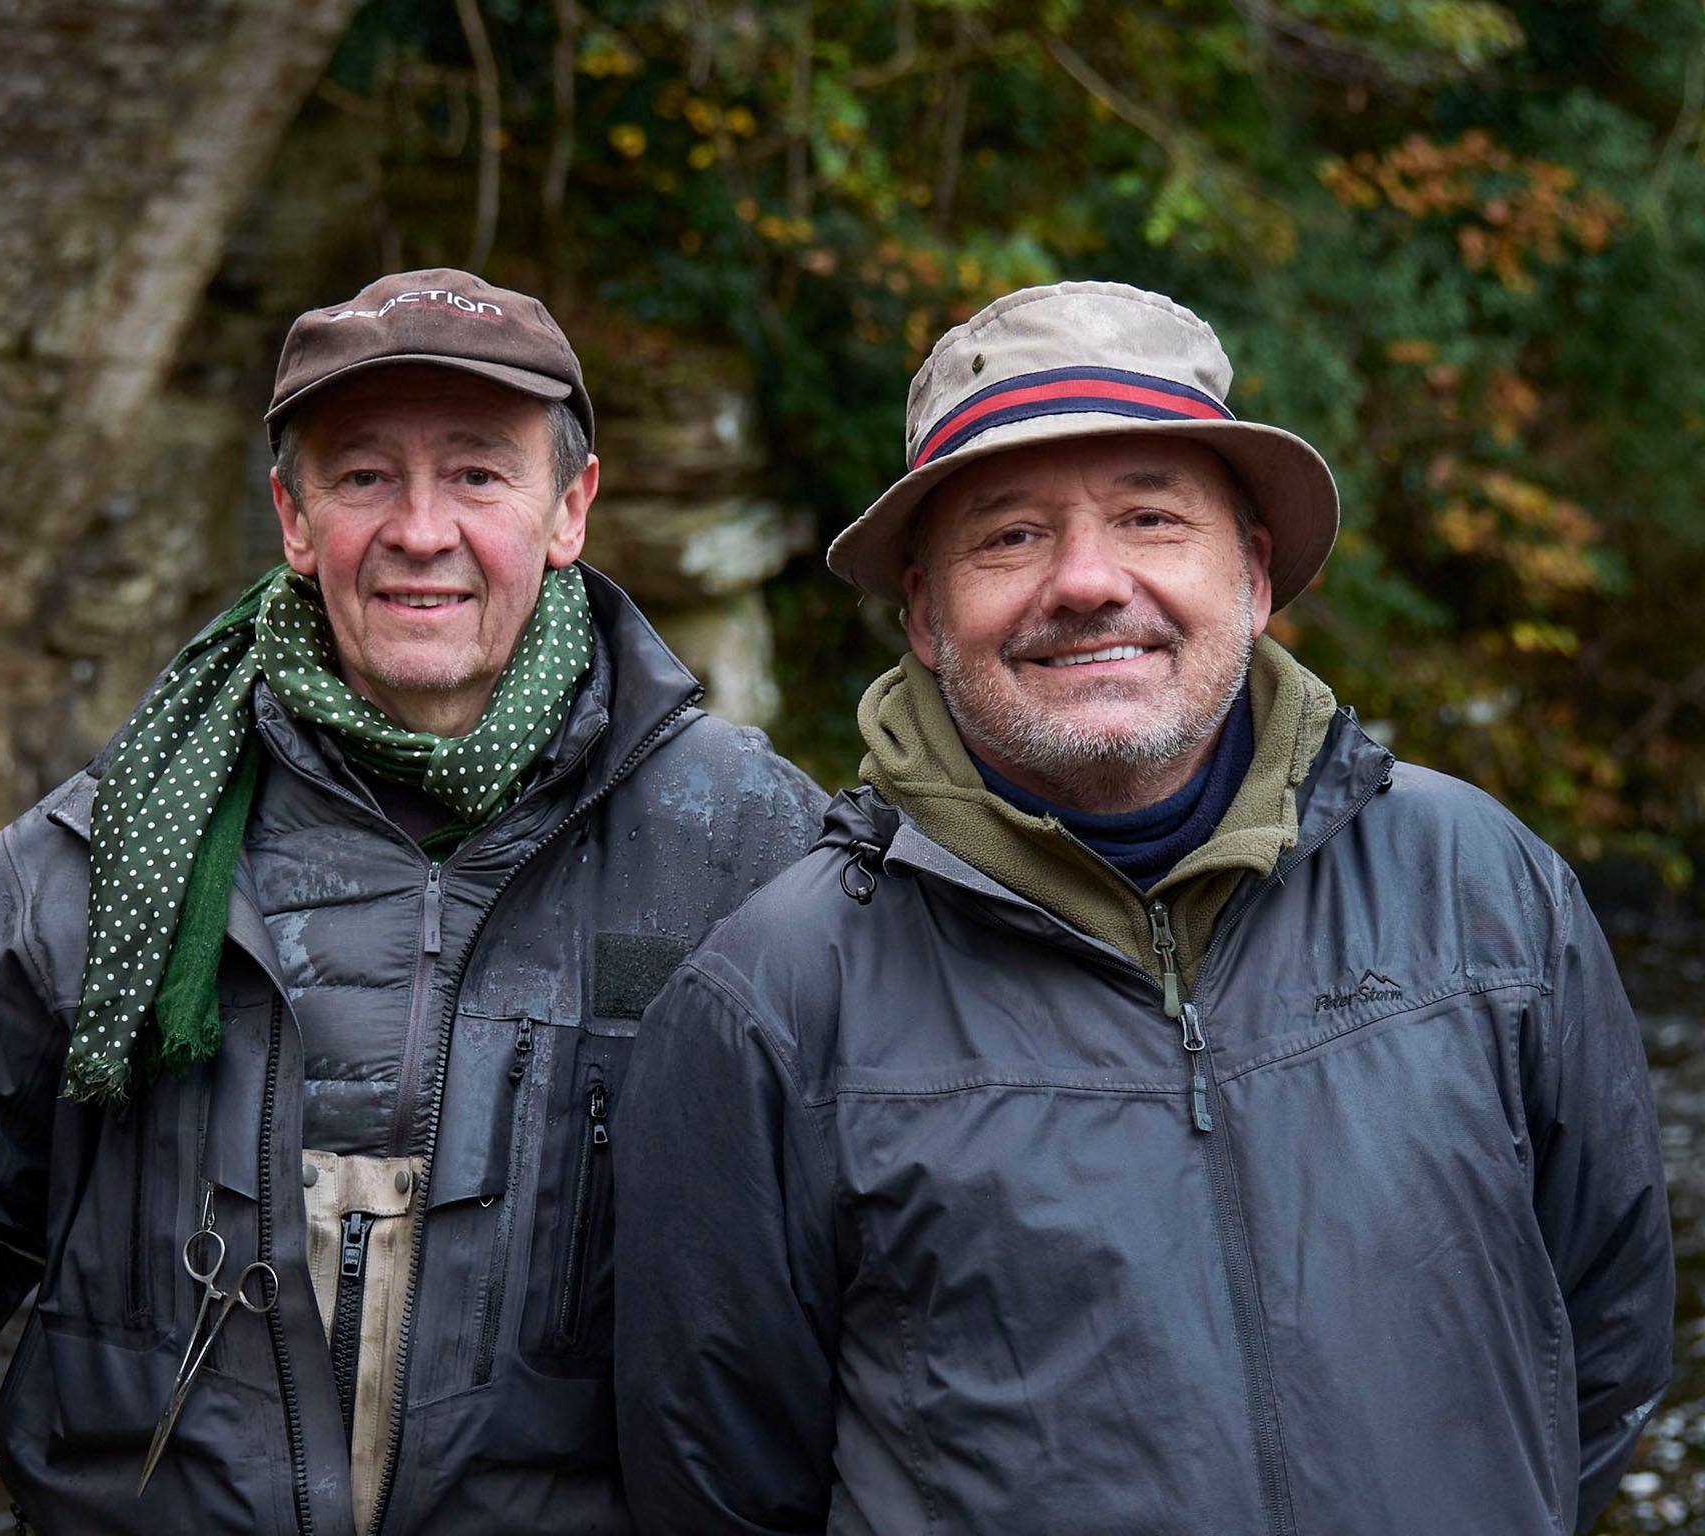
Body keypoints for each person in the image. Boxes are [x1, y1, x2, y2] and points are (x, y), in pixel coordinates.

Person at [0, 268, 825, 1535]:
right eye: (364, 477)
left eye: (478, 474)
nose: (422, 529)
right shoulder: (82, 863)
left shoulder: (753, 845)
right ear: (293, 521)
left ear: (570, 507)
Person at [612, 280, 1673, 1536]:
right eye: (1007, 536)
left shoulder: (1482, 886)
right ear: (922, 613)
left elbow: (1598, 1347)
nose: (1085, 581)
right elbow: (717, 1486)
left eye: (1149, 517)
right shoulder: (775, 1000)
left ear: (1254, 572)